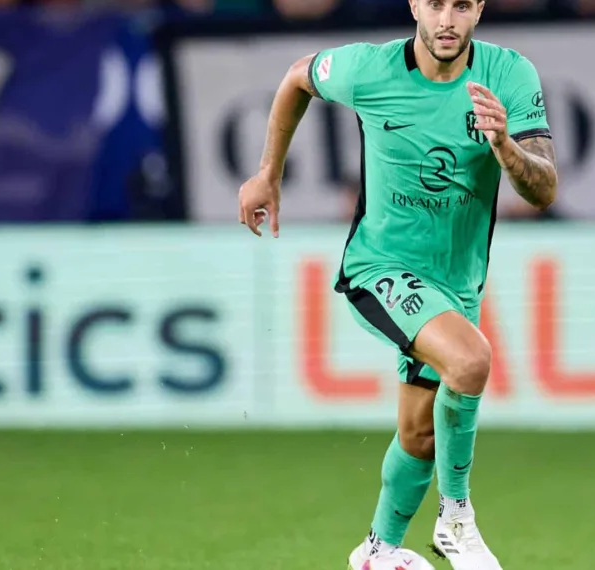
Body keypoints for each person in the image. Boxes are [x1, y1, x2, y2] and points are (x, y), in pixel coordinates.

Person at [236, 1, 558, 569]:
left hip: (456, 285)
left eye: (462, 4)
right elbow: (296, 78)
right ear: (414, 4)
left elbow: (544, 189)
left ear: (480, 7)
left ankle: (377, 553)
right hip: (378, 267)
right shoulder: (368, 69)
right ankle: (456, 518)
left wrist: (506, 148)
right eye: (434, 3)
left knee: (420, 437)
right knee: (472, 362)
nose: (447, 20)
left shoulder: (509, 75)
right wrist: (268, 173)